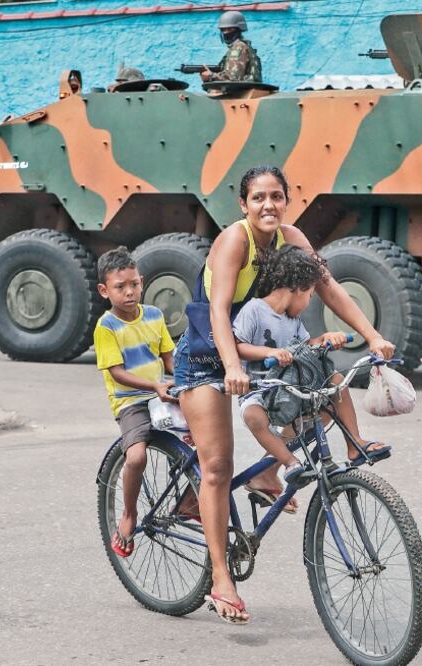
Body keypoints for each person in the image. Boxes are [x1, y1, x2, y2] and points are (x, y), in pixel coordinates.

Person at [173, 165, 395, 624]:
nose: (268, 205)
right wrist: (232, 366)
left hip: (262, 352)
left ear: (287, 200)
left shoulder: (294, 238)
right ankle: (220, 578)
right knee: (216, 465)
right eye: (258, 198)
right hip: (207, 352)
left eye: (276, 196)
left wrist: (372, 337)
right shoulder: (235, 240)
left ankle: (268, 471)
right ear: (243, 204)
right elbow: (217, 309)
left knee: (322, 399)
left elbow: (329, 289)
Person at [232, 244, 389, 508]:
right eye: (310, 295)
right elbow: (237, 345)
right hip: (262, 390)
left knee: (333, 386)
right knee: (253, 417)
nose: (308, 303)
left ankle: (355, 443)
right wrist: (271, 351)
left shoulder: (292, 318)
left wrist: (326, 339)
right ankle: (289, 462)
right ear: (297, 287)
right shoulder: (255, 310)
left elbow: (306, 346)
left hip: (292, 388)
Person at [93, 247, 177, 558]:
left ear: (142, 282)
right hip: (132, 401)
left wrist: (185, 377)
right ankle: (128, 515)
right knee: (137, 456)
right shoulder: (106, 327)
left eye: (134, 284)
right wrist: (155, 385)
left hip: (161, 393)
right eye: (120, 287)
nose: (130, 292)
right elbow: (117, 373)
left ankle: (188, 501)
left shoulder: (154, 316)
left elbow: (169, 359)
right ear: (104, 290)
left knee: (204, 438)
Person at [201, 10, 262, 84]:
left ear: (238, 29)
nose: (226, 32)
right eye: (223, 30)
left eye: (230, 29)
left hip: (242, 93)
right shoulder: (244, 46)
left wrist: (211, 75)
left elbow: (233, 78)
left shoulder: (239, 47)